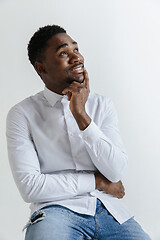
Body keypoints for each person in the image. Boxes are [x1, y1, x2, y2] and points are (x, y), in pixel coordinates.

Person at [6, 25, 151, 240]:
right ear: (41, 67)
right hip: (55, 211)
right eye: (64, 53)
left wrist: (81, 115)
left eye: (76, 49)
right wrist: (98, 182)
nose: (77, 57)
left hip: (108, 210)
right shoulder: (22, 114)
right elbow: (31, 187)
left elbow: (116, 171)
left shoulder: (102, 105)